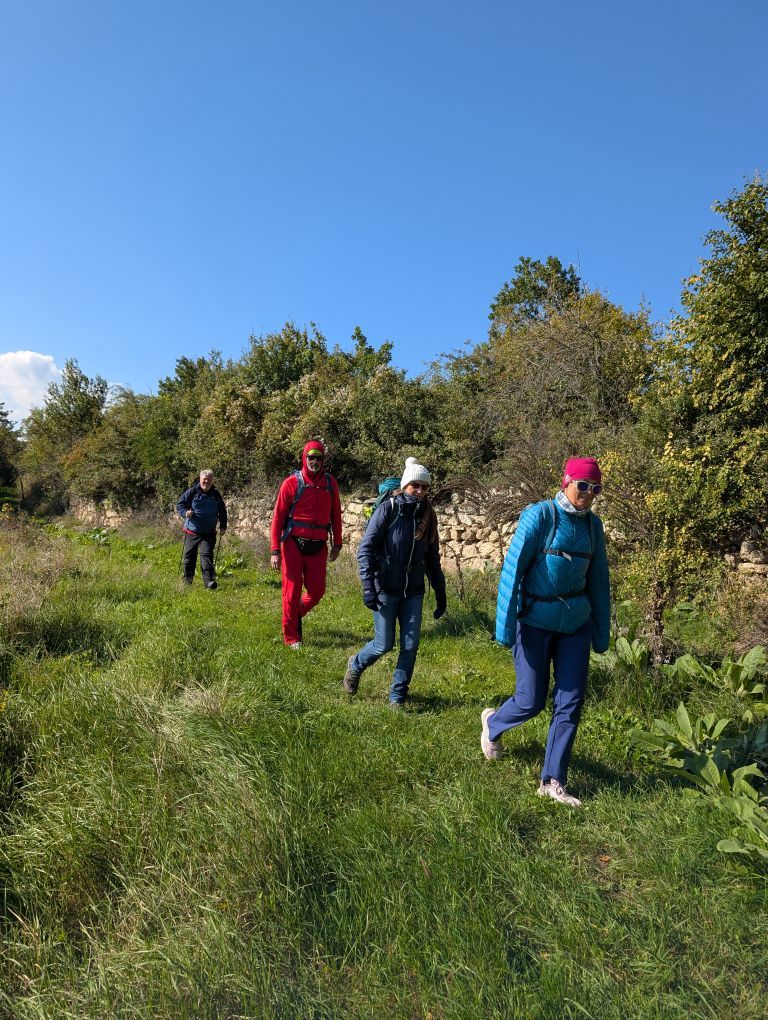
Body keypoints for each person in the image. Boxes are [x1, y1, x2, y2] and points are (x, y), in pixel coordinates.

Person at [480, 456, 610, 807]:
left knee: (570, 702)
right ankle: (493, 725)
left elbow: (599, 582)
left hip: (575, 626)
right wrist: (504, 627)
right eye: (583, 485)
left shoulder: (593, 528)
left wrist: (601, 632)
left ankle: (552, 780)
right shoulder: (540, 516)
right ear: (566, 481)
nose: (588, 494)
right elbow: (513, 571)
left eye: (595, 488)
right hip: (535, 621)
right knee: (531, 700)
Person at [344, 457, 447, 708]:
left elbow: (432, 558)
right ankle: (355, 664)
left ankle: (397, 697)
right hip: (386, 588)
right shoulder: (388, 509)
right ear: (405, 485)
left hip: (413, 591)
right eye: (415, 486)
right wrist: (369, 586)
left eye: (424, 487)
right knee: (383, 644)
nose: (420, 491)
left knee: (410, 646)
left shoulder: (428, 516)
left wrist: (441, 592)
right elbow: (366, 549)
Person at [270, 440, 343, 648]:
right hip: (293, 543)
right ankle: (292, 637)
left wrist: (338, 542)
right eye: (311, 457)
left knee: (317, 591)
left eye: (318, 458)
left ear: (323, 460)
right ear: (304, 458)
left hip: (318, 545)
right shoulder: (291, 483)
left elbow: (335, 514)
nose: (314, 461)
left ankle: (292, 616)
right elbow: (278, 517)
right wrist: (275, 550)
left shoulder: (330, 484)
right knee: (291, 592)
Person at [176, 469, 228, 589]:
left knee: (206, 555)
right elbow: (180, 505)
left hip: (209, 532)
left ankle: (209, 582)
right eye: (204, 479)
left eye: (209, 480)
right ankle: (187, 581)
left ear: (212, 481)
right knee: (189, 557)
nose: (206, 481)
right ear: (200, 479)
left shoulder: (215, 494)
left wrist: (223, 526)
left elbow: (222, 511)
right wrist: (185, 513)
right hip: (192, 531)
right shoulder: (192, 492)